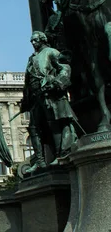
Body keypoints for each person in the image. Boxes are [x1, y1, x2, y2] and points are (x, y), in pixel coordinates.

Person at [21, 31, 77, 172]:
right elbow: (28, 80)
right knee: (34, 128)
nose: (33, 43)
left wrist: (56, 83)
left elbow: (65, 68)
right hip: (35, 97)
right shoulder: (31, 58)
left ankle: (60, 156)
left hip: (49, 95)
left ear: (42, 40)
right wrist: (26, 99)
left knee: (54, 124)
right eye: (31, 41)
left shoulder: (51, 52)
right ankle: (40, 161)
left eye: (35, 40)